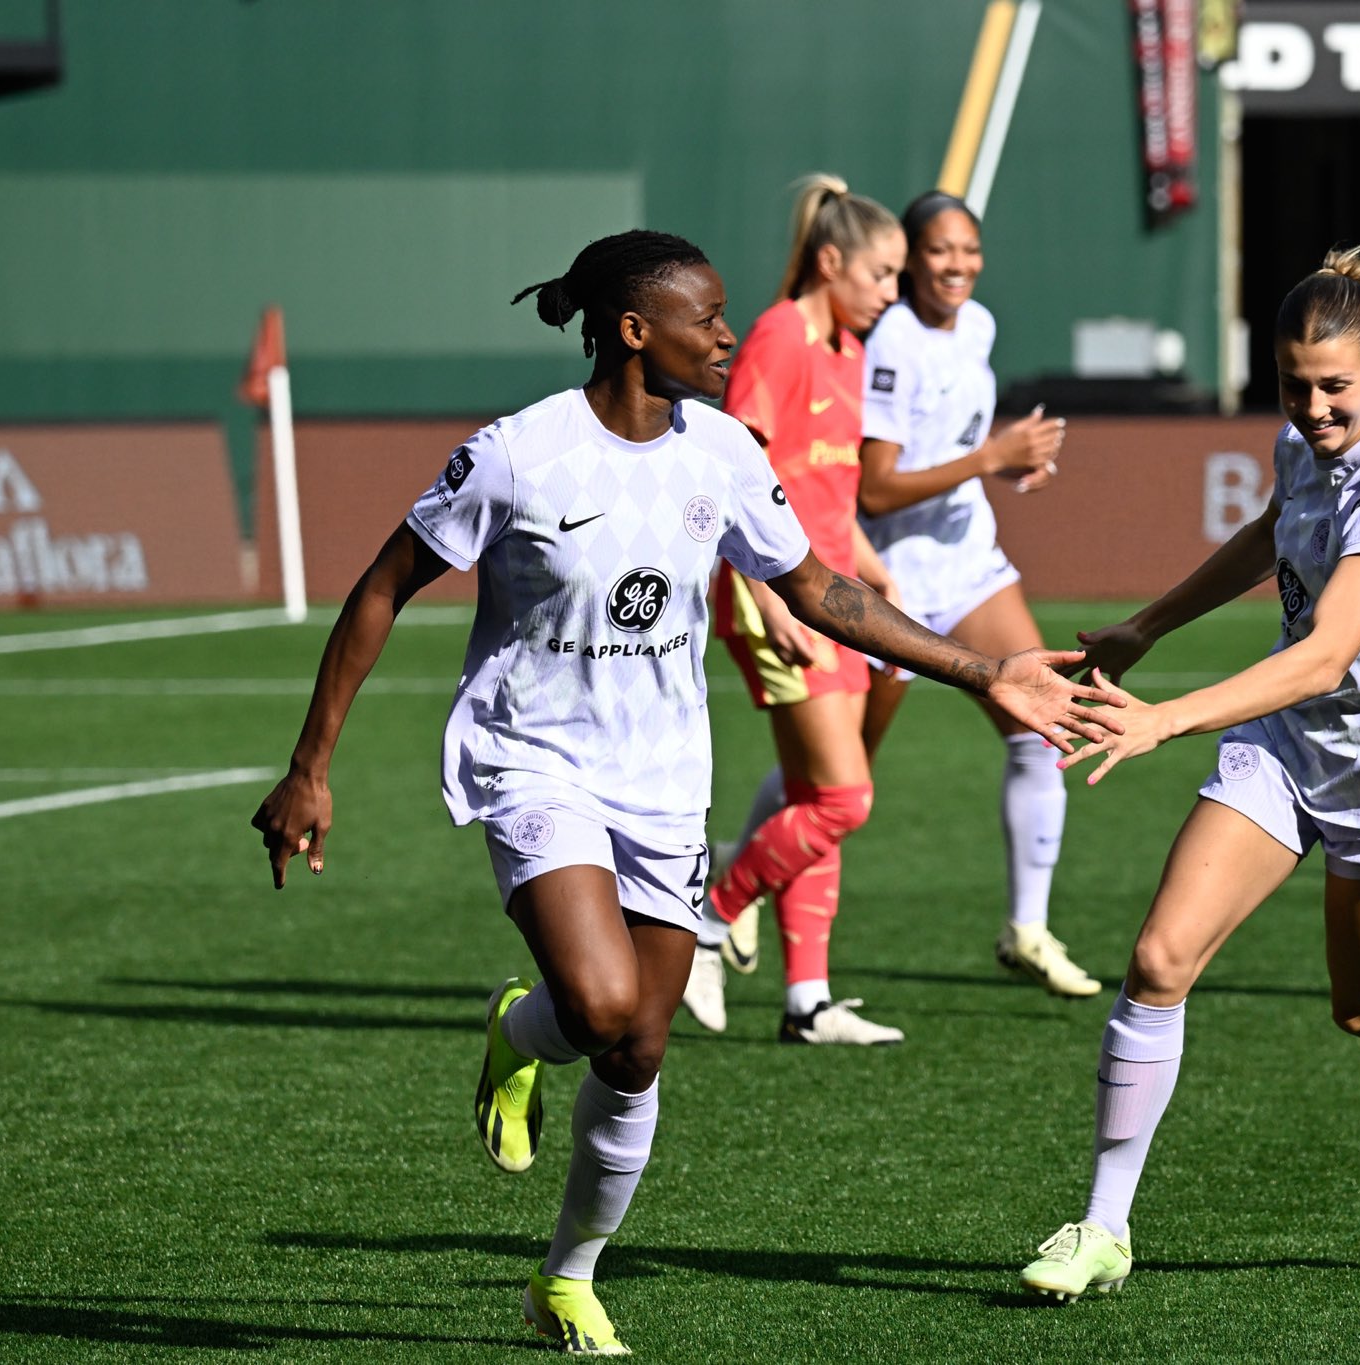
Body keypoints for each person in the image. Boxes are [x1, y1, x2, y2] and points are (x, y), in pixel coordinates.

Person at [248, 228, 1122, 1353]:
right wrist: (309, 765)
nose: (722, 336)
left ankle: (563, 1271)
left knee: (637, 1050)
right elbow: (382, 586)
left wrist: (981, 673)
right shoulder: (519, 453)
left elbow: (821, 591)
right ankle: (532, 1030)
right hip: (535, 761)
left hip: (662, 779)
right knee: (605, 1003)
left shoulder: (719, 451)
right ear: (629, 331)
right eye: (700, 320)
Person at [1016, 247, 1360, 1303]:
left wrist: (1167, 720)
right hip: (1285, 749)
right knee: (1156, 960)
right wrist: (1145, 627)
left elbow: (1327, 651)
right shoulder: (1298, 449)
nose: (1314, 407)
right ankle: (1102, 1228)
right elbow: (1267, 536)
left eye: (1334, 386)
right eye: (1295, 385)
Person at [709, 190, 1093, 1000]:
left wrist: (1007, 463)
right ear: (902, 262)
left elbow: (904, 461)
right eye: (932, 254)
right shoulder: (868, 342)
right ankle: (730, 895)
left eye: (970, 249)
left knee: (1042, 722)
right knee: (840, 783)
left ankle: (1025, 927)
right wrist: (989, 457)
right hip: (872, 580)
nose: (956, 266)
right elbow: (868, 486)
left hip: (951, 563)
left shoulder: (963, 328)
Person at [679, 176, 914, 1045]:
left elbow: (828, 491)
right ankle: (709, 916)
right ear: (830, 262)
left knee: (821, 795)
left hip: (834, 598)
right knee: (846, 799)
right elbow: (733, 476)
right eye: (882, 273)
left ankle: (806, 1002)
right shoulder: (777, 336)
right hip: (778, 600)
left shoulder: (849, 350)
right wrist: (759, 596)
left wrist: (876, 574)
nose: (893, 292)